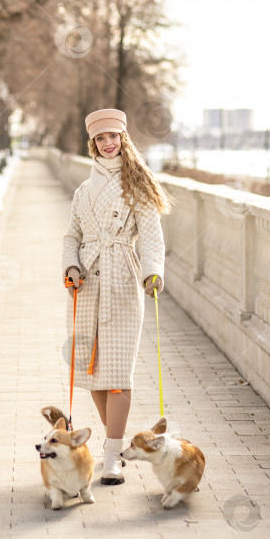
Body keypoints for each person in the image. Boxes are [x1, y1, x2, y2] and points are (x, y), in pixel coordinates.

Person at [62, 108, 173, 485]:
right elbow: (71, 236)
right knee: (93, 374)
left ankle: (111, 458)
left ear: (123, 140)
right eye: (101, 138)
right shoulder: (82, 191)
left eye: (114, 137)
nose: (108, 144)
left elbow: (152, 236)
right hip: (87, 284)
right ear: (92, 144)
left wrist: (152, 271)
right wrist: (71, 267)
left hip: (124, 284)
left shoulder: (136, 185)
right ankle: (120, 445)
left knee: (117, 375)